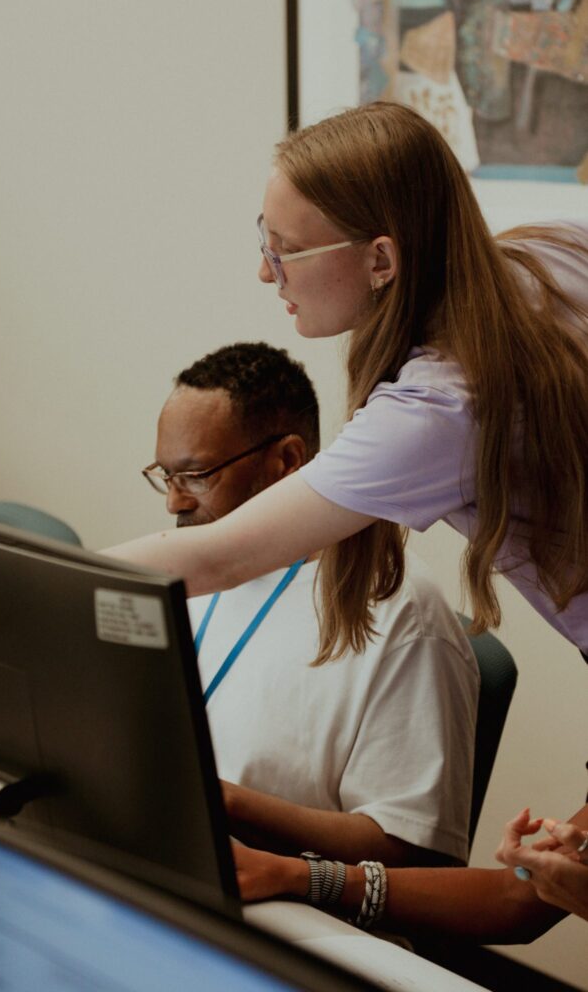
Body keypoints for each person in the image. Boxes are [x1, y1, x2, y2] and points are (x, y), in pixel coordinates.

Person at [105, 101, 588, 930]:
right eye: (265, 239)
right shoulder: (549, 249)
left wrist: (13, 586)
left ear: (380, 259)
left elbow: (215, 556)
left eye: (284, 251)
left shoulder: (436, 409)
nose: (266, 272)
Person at [145, 341, 479, 867]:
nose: (175, 501)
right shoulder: (184, 575)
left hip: (290, 913)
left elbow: (414, 855)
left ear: (287, 461)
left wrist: (228, 804)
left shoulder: (397, 610)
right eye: (166, 476)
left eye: (196, 476)